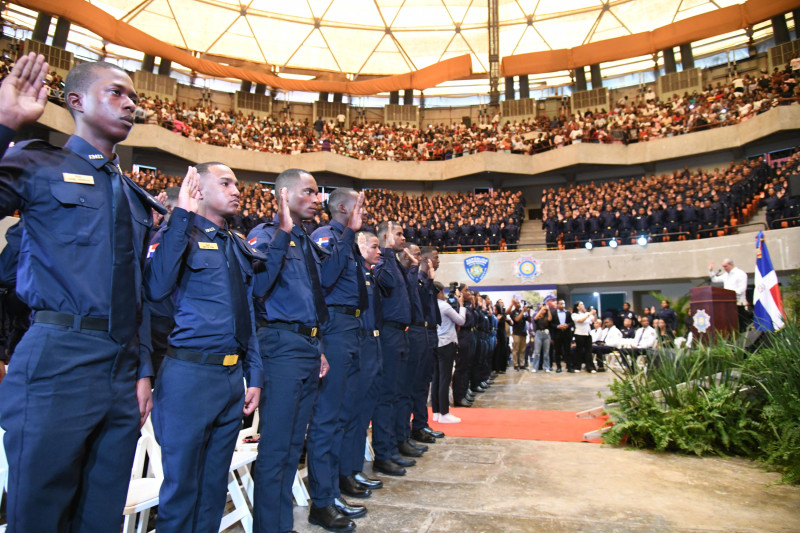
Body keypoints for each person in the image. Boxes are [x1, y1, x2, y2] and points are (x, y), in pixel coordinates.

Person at [0, 56, 165, 532]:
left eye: (134, 96)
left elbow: (136, 293)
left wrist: (142, 371)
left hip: (121, 368)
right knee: (40, 513)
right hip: (58, 357)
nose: (131, 103)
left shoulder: (133, 195)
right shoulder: (37, 161)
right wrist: (6, 123)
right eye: (117, 92)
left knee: (101, 516)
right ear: (76, 101)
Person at [144, 163, 264, 532]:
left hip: (230, 379)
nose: (236, 190)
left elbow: (247, 316)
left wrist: (254, 373)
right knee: (182, 487)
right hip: (188, 375)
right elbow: (156, 287)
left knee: (214, 486)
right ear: (198, 189)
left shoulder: (236, 245)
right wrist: (181, 214)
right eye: (225, 183)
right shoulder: (177, 233)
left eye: (237, 184)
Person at [247, 168, 359, 533]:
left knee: (294, 446)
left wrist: (321, 346)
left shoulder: (307, 240)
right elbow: (259, 285)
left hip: (309, 346)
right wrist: (281, 231)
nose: (317, 200)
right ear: (284, 196)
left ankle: (281, 525)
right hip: (280, 347)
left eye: (317, 193)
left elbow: (319, 292)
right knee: (276, 450)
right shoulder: (265, 235)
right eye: (309, 192)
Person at [306, 188, 372, 522]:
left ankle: (332, 492)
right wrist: (349, 234)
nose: (364, 210)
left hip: (352, 328)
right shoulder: (326, 235)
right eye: (359, 205)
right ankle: (322, 501)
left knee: (343, 415)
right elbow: (327, 278)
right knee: (327, 418)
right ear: (343, 207)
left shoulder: (346, 238)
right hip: (334, 328)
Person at [338, 231, 385, 498]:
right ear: (360, 247)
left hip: (373, 342)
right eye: (375, 247)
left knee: (364, 411)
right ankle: (346, 472)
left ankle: (355, 468)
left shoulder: (370, 274)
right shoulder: (354, 272)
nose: (380, 252)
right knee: (353, 413)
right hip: (360, 342)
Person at [371, 220, 413, 477]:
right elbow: (384, 284)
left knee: (398, 393)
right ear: (386, 237)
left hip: (401, 333)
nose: (403, 237)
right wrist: (386, 251)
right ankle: (383, 454)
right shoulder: (383, 261)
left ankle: (395, 446)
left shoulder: (395, 262)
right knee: (386, 396)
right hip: (388, 333)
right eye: (398, 233)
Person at [434, 281, 466, 423]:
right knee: (445, 379)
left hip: (435, 343)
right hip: (446, 344)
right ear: (440, 292)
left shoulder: (429, 304)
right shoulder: (444, 306)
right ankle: (444, 413)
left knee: (436, 378)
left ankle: (436, 411)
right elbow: (460, 321)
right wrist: (462, 305)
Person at [708, 258, 750, 330]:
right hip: (728, 304)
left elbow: (742, 289)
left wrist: (729, 294)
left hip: (738, 303)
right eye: (723, 266)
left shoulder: (740, 273)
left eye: (725, 266)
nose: (724, 268)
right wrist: (710, 271)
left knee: (740, 325)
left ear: (731, 265)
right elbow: (715, 279)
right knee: (731, 325)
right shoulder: (726, 275)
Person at [571, 302, 596, 373]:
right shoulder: (575, 315)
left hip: (587, 334)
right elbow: (581, 321)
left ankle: (590, 367)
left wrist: (594, 314)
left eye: (583, 304)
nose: (583, 306)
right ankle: (577, 366)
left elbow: (593, 321)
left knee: (588, 351)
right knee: (579, 351)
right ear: (577, 307)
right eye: (581, 305)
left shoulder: (586, 314)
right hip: (579, 334)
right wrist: (589, 314)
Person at [550, 299, 574, 373]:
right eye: (560, 304)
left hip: (567, 334)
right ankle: (558, 367)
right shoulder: (553, 313)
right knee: (558, 351)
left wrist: (567, 325)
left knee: (567, 351)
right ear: (557, 305)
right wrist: (558, 326)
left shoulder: (568, 312)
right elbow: (551, 324)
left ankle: (569, 367)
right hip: (557, 335)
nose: (562, 305)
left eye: (563, 304)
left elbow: (572, 322)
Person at [509, 298, 531, 370]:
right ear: (515, 304)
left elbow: (529, 320)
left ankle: (522, 364)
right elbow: (517, 319)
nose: (519, 304)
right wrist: (523, 312)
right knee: (516, 349)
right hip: (516, 333)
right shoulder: (513, 312)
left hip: (523, 333)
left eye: (519, 303)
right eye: (517, 303)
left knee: (522, 349)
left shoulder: (523, 312)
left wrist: (528, 313)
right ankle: (515, 364)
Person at [530, 302, 552, 373]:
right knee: (537, 352)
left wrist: (548, 310)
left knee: (546, 352)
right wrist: (541, 309)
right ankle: (535, 367)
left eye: (544, 310)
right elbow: (535, 319)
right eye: (542, 309)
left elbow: (550, 319)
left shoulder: (547, 316)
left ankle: (547, 367)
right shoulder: (537, 315)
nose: (543, 310)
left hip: (546, 334)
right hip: (538, 334)